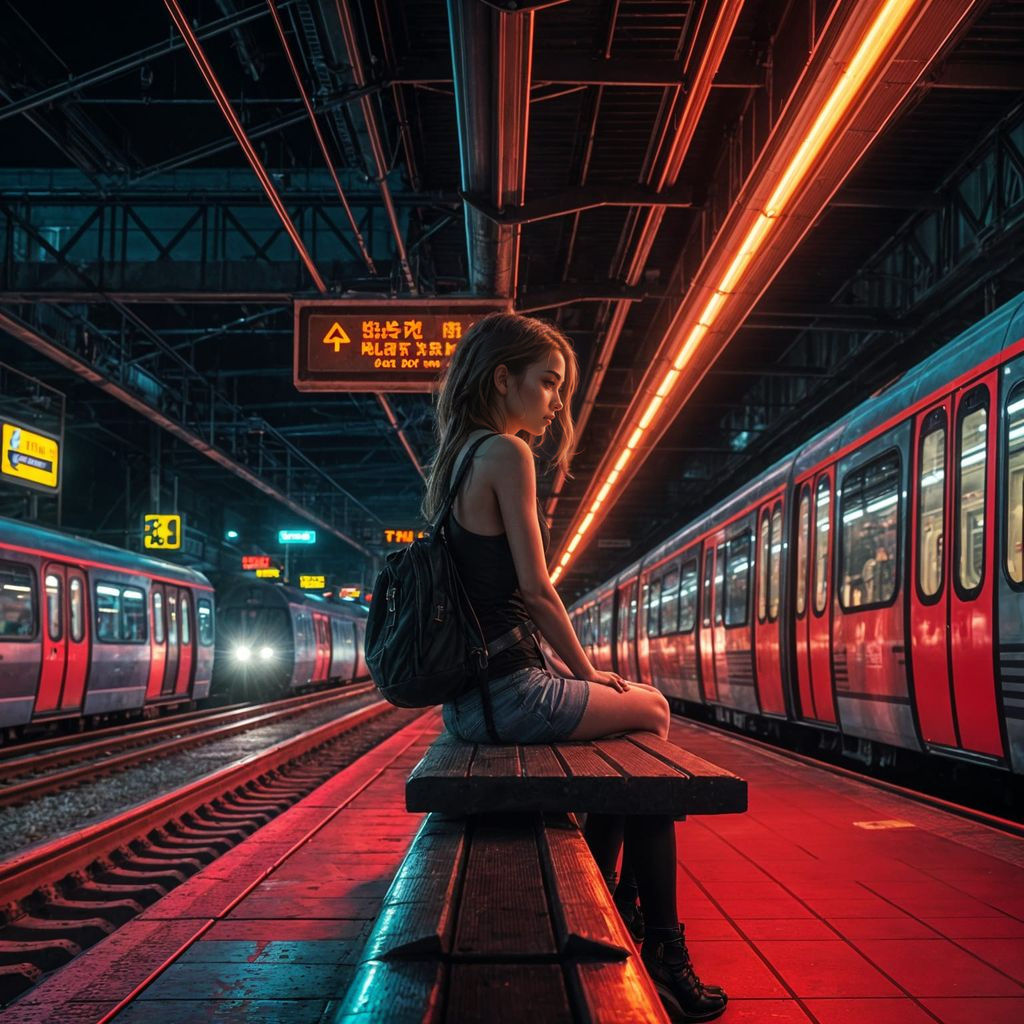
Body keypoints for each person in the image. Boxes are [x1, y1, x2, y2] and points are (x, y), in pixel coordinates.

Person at [422, 312, 727, 1023]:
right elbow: (534, 588)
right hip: (511, 695)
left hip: (472, 702)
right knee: (650, 711)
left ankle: (616, 902)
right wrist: (588, 675)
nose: (556, 401)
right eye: (549, 383)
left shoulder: (458, 456)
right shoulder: (506, 453)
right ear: (504, 379)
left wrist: (583, 682)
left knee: (626, 742)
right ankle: (660, 941)